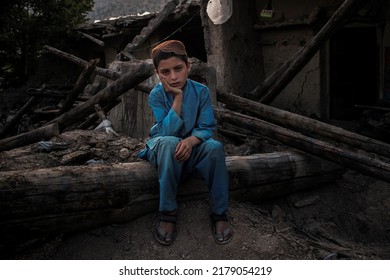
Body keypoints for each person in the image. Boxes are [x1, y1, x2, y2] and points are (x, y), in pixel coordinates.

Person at [136, 40, 232, 246]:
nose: (173, 76)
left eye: (178, 68)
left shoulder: (201, 92)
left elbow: (207, 127)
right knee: (170, 142)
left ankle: (220, 213)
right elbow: (167, 131)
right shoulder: (156, 95)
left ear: (188, 66)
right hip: (163, 148)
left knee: (214, 147)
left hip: (192, 147)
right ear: (158, 73)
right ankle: (168, 212)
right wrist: (177, 98)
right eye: (166, 71)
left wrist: (190, 141)